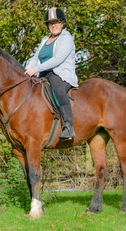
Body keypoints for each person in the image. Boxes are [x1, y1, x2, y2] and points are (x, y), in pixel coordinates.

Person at [25, 7, 78, 140]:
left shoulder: (67, 39)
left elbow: (57, 59)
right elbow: (35, 58)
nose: (53, 25)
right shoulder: (45, 39)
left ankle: (68, 127)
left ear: (62, 23)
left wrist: (36, 69)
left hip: (61, 75)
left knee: (58, 91)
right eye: (50, 23)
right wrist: (27, 71)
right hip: (43, 74)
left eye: (57, 22)